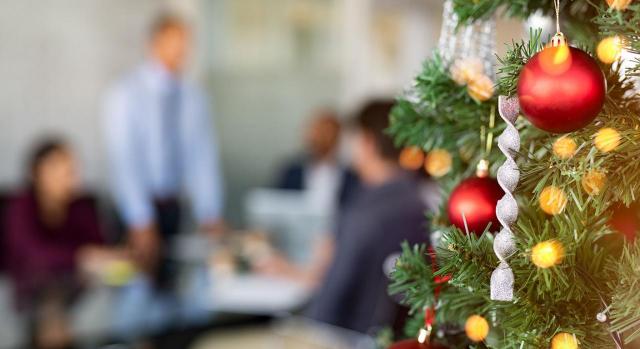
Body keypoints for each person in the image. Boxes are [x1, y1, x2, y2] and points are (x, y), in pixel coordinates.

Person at [103, 13, 224, 276]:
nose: (183, 50)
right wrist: (140, 219)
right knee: (135, 290)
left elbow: (201, 157)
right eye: (175, 41)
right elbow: (124, 160)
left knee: (174, 285)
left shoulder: (194, 97)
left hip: (173, 208)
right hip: (133, 210)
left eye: (187, 42)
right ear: (154, 43)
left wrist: (210, 211)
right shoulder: (125, 94)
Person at [306, 100, 429, 334]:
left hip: (349, 337)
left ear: (368, 142)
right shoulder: (420, 204)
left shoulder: (363, 214)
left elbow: (328, 308)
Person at [3, 139, 115, 349]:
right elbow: (32, 253)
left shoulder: (79, 205)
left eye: (71, 169)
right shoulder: (20, 206)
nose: (68, 177)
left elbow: (99, 245)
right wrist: (81, 256)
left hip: (68, 284)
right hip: (27, 285)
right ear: (36, 172)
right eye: (59, 169)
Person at [275, 109, 359, 213]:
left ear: (337, 136)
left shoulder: (352, 176)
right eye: (317, 132)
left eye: (327, 133)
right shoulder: (291, 171)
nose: (321, 138)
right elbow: (277, 205)